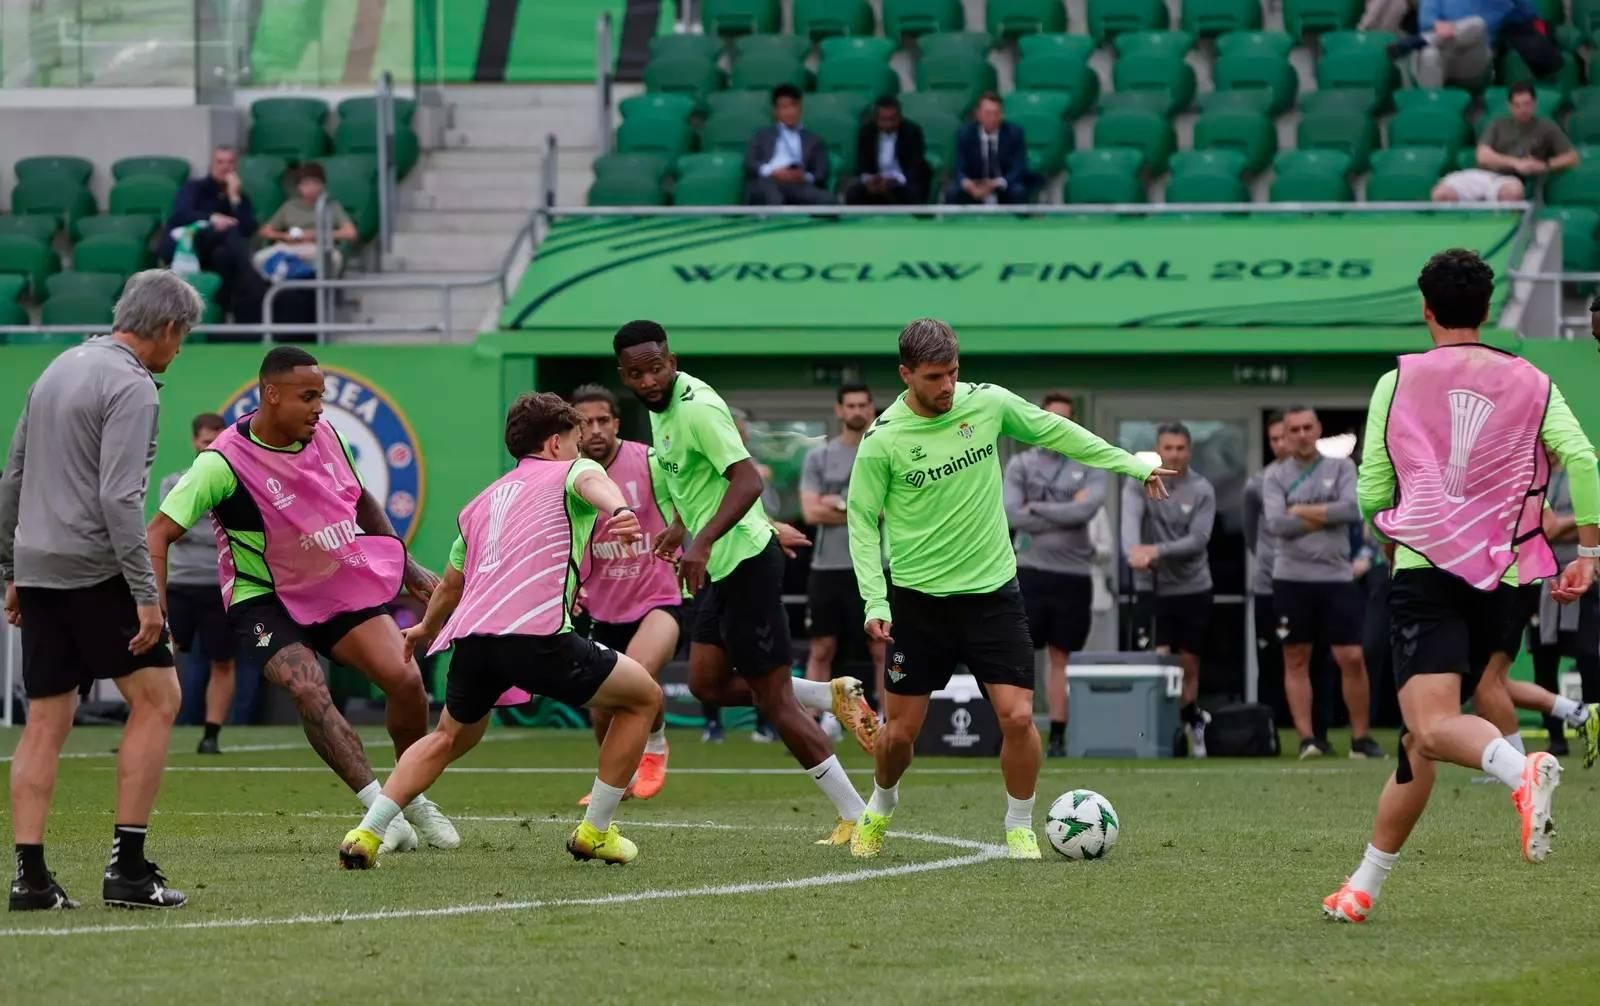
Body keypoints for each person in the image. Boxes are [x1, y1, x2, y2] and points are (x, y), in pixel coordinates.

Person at [1323, 248, 1599, 924]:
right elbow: (1583, 459)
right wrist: (1589, 551)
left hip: (1427, 570)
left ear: (1426, 309)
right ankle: (1362, 887)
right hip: (1506, 577)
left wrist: (1388, 524)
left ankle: (1518, 770)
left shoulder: (1400, 379)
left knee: (1430, 724)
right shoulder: (1533, 378)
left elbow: (1371, 492)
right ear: (1487, 307)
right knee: (1421, 745)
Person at [846, 319, 1172, 860]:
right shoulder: (883, 440)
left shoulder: (989, 403)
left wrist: (1131, 465)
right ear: (906, 375)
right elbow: (861, 521)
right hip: (919, 602)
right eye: (933, 377)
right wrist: (875, 600)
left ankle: (1019, 824)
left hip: (993, 594)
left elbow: (1059, 432)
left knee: (1018, 716)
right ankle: (880, 805)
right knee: (900, 735)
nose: (947, 386)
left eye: (952, 373)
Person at [146, 346, 459, 855]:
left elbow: (360, 499)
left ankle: (411, 800)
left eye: (322, 396)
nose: (319, 408)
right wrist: (156, 614)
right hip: (264, 599)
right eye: (307, 396)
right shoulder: (220, 462)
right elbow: (156, 534)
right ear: (271, 394)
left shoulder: (328, 435)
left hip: (332, 586)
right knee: (309, 690)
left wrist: (405, 564)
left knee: (404, 680)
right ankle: (381, 810)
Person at [340, 393, 661, 868]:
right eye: (575, 441)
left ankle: (367, 832)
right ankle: (595, 831)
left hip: (473, 643)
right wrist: (620, 510)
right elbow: (594, 480)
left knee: (448, 737)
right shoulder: (570, 471)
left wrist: (425, 628)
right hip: (537, 638)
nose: (580, 452)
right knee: (644, 698)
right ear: (555, 443)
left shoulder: (482, 502)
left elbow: (451, 583)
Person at [612, 320, 877, 845]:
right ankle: (828, 694)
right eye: (636, 373)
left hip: (748, 564)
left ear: (673, 358)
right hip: (718, 567)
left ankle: (856, 813)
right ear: (626, 374)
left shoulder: (698, 409)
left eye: (656, 367)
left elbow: (748, 479)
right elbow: (698, 481)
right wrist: (681, 528)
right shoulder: (658, 406)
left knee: (775, 701)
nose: (648, 380)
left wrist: (703, 541)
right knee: (707, 684)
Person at [2, 270, 202, 911]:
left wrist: (11, 569)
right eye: (183, 338)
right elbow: (120, 497)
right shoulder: (133, 386)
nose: (179, 350)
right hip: (96, 566)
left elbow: (13, 477)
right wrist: (146, 593)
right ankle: (130, 870)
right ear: (167, 328)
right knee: (160, 696)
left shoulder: (57, 367)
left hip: (39, 564)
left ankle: (30, 879)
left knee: (44, 721)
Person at [567, 383, 684, 802]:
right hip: (602, 608)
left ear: (616, 422)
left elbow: (693, 501)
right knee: (601, 705)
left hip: (658, 597)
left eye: (603, 420)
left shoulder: (649, 462)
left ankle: (655, 746)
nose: (595, 430)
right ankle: (614, 782)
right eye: (585, 423)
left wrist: (682, 533)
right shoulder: (570, 475)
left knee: (636, 672)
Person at [1264, 407, 1386, 760]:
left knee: (1351, 656)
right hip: (1291, 578)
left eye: (1307, 427)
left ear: (1317, 429)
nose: (1302, 434)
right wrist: (1325, 515)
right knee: (1296, 657)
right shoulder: (1274, 476)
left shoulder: (1341, 467)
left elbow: (1352, 510)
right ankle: (1308, 740)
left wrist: (1299, 511)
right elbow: (1275, 524)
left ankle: (1361, 739)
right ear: (1284, 435)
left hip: (1336, 576)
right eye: (1294, 429)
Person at [1003, 392, 1106, 759]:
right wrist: (1064, 507)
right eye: (1051, 418)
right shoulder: (1021, 465)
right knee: (1023, 654)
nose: (1059, 425)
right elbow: (1012, 514)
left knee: (1062, 657)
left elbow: (1087, 511)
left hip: (1073, 574)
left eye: (1065, 418)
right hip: (1029, 570)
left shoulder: (1089, 461)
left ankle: (1059, 735)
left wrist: (1039, 507)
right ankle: (1020, 728)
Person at [1121, 423, 1215, 756]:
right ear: (1158, 449)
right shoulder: (1140, 482)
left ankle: (1192, 723)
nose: (1174, 454)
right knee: (1156, 659)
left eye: (1180, 448)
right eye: (1168, 448)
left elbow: (1198, 540)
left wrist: (1155, 551)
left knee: (1188, 662)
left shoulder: (1202, 489)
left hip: (1192, 586)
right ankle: (1158, 731)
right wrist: (1134, 551)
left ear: (1189, 451)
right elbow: (1130, 528)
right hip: (1152, 586)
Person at [801, 384, 887, 728]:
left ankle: (884, 719)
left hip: (873, 566)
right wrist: (858, 509)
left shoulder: (881, 453)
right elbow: (810, 513)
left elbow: (885, 511)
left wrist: (834, 503)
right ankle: (811, 723)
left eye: (863, 405)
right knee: (822, 648)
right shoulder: (818, 457)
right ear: (839, 410)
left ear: (872, 410)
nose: (857, 411)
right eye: (850, 405)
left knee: (881, 648)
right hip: (827, 568)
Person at [157, 412, 237, 754]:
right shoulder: (175, 481)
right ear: (194, 442)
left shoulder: (235, 483)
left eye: (217, 443)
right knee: (159, 657)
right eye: (206, 442)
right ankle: (151, 729)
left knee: (222, 661)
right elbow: (172, 531)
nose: (211, 449)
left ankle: (211, 735)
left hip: (220, 586)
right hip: (181, 584)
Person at [1523, 463, 1600, 758]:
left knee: (1590, 659)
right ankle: (1556, 738)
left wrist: (1559, 529)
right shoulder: (1533, 475)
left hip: (1584, 578)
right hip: (1540, 579)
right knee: (1544, 660)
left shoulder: (1583, 475)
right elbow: (1538, 529)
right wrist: (1582, 525)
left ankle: (1593, 729)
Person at [159, 146, 266, 324]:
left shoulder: (239, 195)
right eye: (220, 162)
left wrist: (234, 198)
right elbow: (181, 214)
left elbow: (248, 229)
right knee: (229, 232)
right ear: (211, 165)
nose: (225, 167)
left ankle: (227, 321)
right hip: (189, 243)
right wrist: (212, 218)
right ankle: (254, 282)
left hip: (219, 254)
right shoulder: (194, 188)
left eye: (230, 162)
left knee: (223, 256)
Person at [1432, 82, 1579, 203]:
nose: (1522, 109)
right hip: (1483, 175)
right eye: (1517, 105)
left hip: (1511, 180)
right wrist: (1516, 163)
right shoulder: (1497, 124)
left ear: (1534, 104)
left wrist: (1544, 165)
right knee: (1440, 194)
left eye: (1527, 104)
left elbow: (1571, 157)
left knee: (1512, 194)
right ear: (1510, 106)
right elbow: (1482, 156)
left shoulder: (1547, 126)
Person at [1242, 413, 1290, 725]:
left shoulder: (1325, 474)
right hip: (1267, 584)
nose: (1279, 445)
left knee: (1303, 657)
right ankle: (1270, 722)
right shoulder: (1256, 484)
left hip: (1303, 580)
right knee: (1269, 657)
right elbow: (1252, 534)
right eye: (1273, 439)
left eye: (1282, 437)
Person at [1387, 0, 1529, 88]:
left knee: (1477, 24)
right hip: (1442, 55)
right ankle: (1433, 108)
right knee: (1430, 54)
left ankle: (1421, 40)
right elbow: (1425, 20)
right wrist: (1438, 26)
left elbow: (1529, 15)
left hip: (1473, 60)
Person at [254, 163, 359, 276]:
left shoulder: (331, 205)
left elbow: (351, 233)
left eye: (315, 183)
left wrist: (319, 234)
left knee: (334, 259)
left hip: (318, 248)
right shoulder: (289, 206)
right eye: (306, 184)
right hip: (291, 247)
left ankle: (326, 292)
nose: (311, 188)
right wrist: (284, 236)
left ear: (323, 185)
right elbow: (265, 231)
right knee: (259, 258)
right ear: (299, 187)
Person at [744, 84, 833, 206]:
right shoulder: (761, 136)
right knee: (772, 196)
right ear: (775, 111)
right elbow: (749, 163)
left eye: (793, 106)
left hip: (798, 184)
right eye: (784, 107)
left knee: (827, 201)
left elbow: (821, 173)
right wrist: (773, 172)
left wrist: (803, 176)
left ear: (800, 108)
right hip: (769, 181)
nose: (790, 111)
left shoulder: (814, 140)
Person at [946, 93, 1031, 205]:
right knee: (952, 192)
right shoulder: (964, 134)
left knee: (1018, 191)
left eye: (997, 113)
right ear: (978, 114)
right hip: (975, 185)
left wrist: (997, 183)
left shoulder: (1014, 133)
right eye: (988, 113)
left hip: (1003, 185)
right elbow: (959, 167)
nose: (993, 118)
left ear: (1002, 114)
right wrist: (967, 183)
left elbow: (1019, 167)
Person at [844, 96, 931, 205]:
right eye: (884, 120)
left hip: (902, 180)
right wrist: (870, 180)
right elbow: (862, 164)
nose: (888, 124)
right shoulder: (866, 132)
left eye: (893, 119)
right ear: (875, 119)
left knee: (913, 192)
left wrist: (895, 180)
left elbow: (915, 165)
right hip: (876, 181)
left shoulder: (912, 131)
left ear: (900, 117)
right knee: (853, 193)